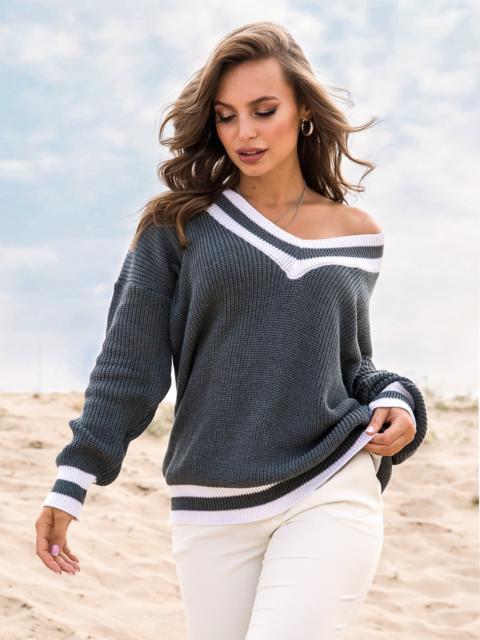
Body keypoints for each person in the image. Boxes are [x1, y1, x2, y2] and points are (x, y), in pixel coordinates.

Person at [35, 21, 428, 640]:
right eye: (226, 116)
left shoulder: (357, 234)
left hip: (329, 482)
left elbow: (349, 365)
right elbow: (129, 363)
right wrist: (74, 479)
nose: (244, 132)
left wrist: (398, 400)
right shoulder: (177, 225)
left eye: (263, 110)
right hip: (211, 503)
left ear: (303, 111)